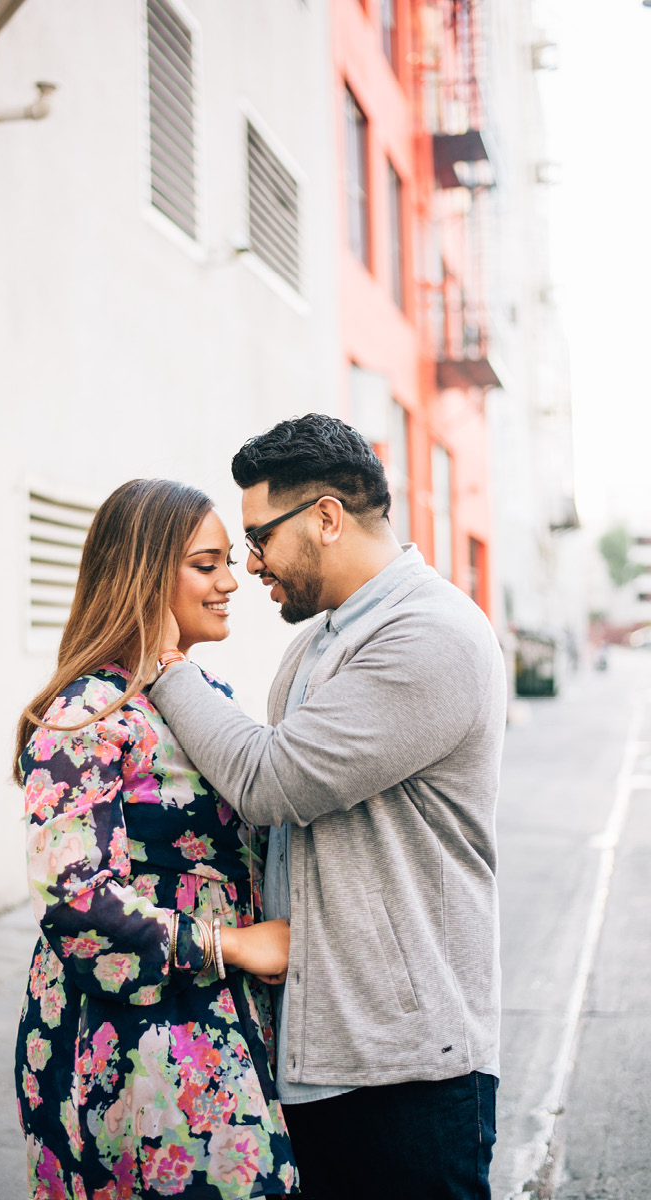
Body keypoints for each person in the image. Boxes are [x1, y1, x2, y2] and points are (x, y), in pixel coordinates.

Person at [151, 415, 507, 1200]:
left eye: (258, 538)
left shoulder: (429, 634)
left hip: (406, 1072)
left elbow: (271, 781)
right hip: (321, 1055)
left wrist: (165, 663)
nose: (249, 566)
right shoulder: (318, 643)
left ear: (325, 517)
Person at [13, 478, 299, 1200]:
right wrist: (231, 944)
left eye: (230, 562)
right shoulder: (86, 714)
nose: (231, 582)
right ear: (143, 572)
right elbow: (75, 899)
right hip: (135, 1035)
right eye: (206, 565)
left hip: (222, 1018)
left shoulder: (197, 694)